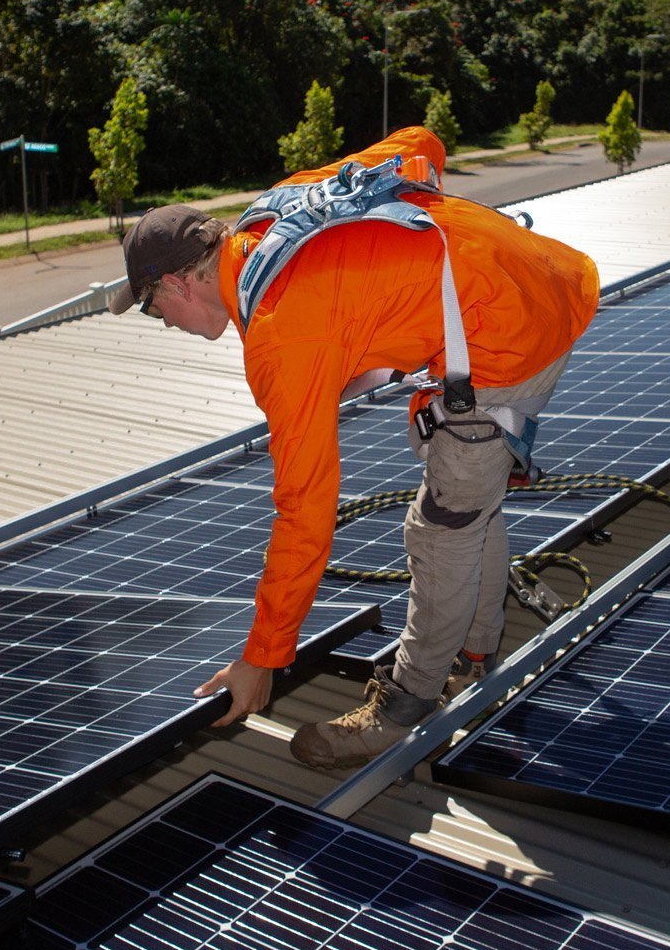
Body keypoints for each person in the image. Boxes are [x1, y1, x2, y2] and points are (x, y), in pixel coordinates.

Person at [109, 126, 599, 769]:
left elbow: (305, 508)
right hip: (538, 268)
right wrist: (428, 262)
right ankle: (477, 653)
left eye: (151, 310)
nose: (164, 324)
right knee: (470, 501)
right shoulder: (279, 206)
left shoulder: (282, 337)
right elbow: (421, 141)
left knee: (439, 526)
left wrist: (264, 656)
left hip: (512, 328)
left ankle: (409, 701)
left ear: (176, 285)